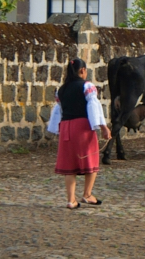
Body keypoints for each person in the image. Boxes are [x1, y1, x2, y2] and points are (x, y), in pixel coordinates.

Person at [46, 58, 112, 209]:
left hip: (66, 127)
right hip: (82, 126)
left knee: (70, 164)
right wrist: (103, 127)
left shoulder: (61, 90)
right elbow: (94, 107)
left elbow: (59, 111)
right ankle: (87, 195)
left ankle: (71, 200)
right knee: (91, 159)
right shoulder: (87, 86)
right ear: (82, 70)